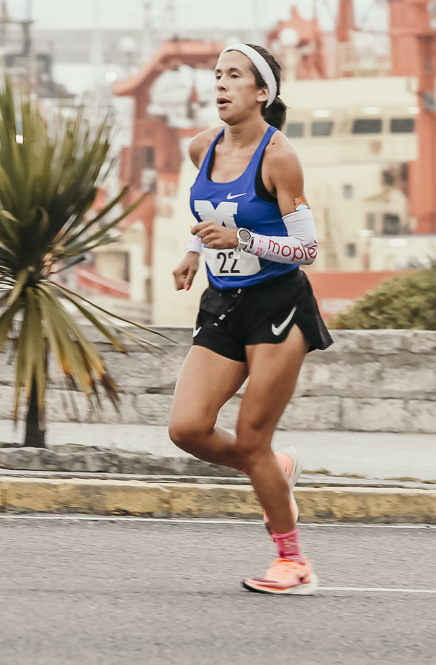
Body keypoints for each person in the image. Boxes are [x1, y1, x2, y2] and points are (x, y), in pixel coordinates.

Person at [168, 43, 332, 596]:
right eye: (217, 75)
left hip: (278, 305)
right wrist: (195, 251)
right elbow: (212, 213)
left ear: (262, 92)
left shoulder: (278, 157)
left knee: (250, 436)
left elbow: (307, 250)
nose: (221, 84)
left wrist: (242, 241)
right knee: (186, 428)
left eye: (234, 75)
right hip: (223, 301)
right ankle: (273, 469)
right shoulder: (200, 147)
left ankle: (293, 561)